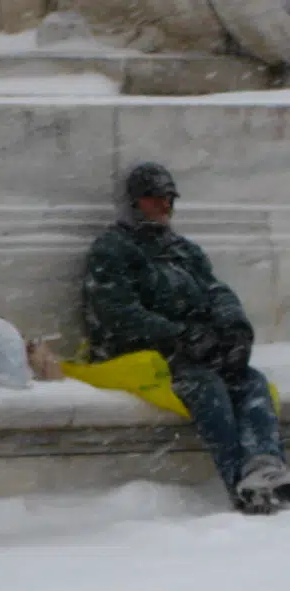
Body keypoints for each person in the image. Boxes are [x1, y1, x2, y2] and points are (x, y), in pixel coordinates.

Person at [83, 162, 290, 512]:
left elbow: (216, 292)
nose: (164, 206)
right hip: (141, 354)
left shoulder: (184, 250)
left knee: (249, 380)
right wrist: (179, 335)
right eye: (154, 198)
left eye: (169, 198)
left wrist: (235, 330)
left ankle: (265, 468)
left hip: (193, 350)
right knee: (206, 387)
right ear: (134, 202)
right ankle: (241, 484)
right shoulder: (112, 250)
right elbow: (117, 314)